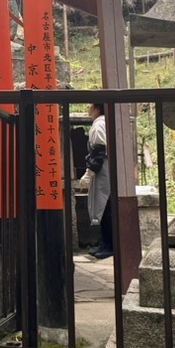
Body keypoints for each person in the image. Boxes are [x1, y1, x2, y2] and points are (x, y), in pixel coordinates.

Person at [81, 102, 113, 260]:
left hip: (103, 171)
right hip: (104, 170)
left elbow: (99, 152)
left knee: (105, 207)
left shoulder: (99, 125)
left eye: (89, 105)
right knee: (104, 207)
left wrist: (89, 173)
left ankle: (109, 245)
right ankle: (105, 242)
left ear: (97, 108)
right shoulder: (102, 123)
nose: (87, 107)